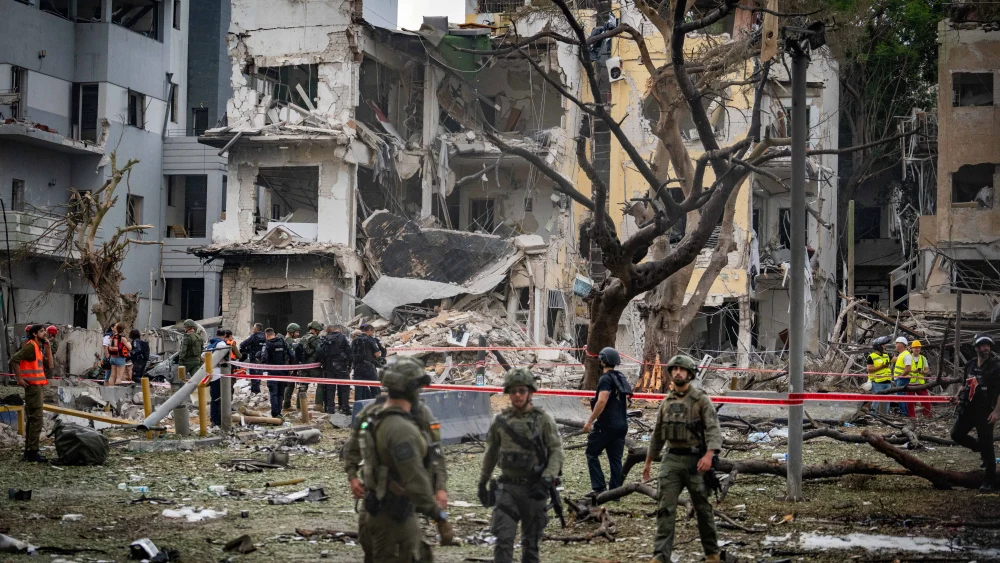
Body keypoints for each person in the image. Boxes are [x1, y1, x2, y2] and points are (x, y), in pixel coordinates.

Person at [343, 357, 449, 563]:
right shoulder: (395, 425)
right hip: (391, 509)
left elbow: (436, 453)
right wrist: (438, 515)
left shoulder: (419, 414)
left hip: (384, 506)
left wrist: (440, 486)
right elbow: (414, 477)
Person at [642, 354, 723, 563]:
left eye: (682, 369)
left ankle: (712, 554)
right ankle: (660, 556)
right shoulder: (666, 402)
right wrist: (649, 461)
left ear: (690, 373)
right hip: (671, 460)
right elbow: (658, 433)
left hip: (696, 461)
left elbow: (713, 429)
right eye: (674, 369)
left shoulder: (701, 400)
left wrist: (709, 455)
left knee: (703, 508)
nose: (678, 372)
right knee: (665, 509)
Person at [478, 367, 564, 563]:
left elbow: (556, 452)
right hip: (508, 489)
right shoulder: (500, 422)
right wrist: (482, 482)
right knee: (503, 542)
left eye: (522, 391)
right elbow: (490, 453)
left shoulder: (543, 420)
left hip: (534, 490)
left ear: (530, 392)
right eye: (513, 391)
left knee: (531, 548)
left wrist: (546, 479)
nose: (517, 395)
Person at [950, 334, 1000, 493]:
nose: (986, 348)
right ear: (976, 348)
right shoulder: (970, 365)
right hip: (968, 409)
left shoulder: (996, 367)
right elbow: (966, 384)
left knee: (988, 443)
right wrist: (958, 396)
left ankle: (989, 481)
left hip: (985, 410)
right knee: (956, 434)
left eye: (988, 345)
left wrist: (997, 412)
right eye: (983, 345)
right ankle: (979, 448)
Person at [583, 347, 631, 496]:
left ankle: (599, 488)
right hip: (622, 424)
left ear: (602, 361)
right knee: (615, 459)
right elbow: (628, 401)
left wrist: (590, 420)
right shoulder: (621, 377)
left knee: (591, 452)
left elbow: (602, 401)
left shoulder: (605, 379)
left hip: (606, 425)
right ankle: (615, 493)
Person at [10, 324, 53, 462]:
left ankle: (29, 452)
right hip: (33, 388)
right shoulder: (31, 346)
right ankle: (32, 453)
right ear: (34, 334)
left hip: (37, 387)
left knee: (33, 419)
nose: (45, 333)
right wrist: (19, 379)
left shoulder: (38, 348)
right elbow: (14, 360)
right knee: (36, 419)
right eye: (41, 331)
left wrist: (48, 348)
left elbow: (50, 366)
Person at [260, 327, 293, 418]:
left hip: (272, 372)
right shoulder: (283, 342)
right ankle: (279, 412)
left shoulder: (267, 344)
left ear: (266, 335)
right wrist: (292, 367)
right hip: (283, 371)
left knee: (274, 393)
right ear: (274, 334)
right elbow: (291, 354)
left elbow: (264, 358)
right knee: (281, 392)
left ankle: (275, 413)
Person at [323, 324, 353, 414]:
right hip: (341, 366)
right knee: (344, 387)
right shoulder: (343, 337)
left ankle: (330, 408)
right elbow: (349, 352)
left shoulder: (326, 337)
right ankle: (344, 407)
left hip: (329, 366)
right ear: (339, 330)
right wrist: (349, 365)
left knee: (330, 388)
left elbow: (321, 352)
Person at [297, 321, 325, 412]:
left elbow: (297, 351)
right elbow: (320, 350)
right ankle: (318, 405)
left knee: (303, 385)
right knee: (321, 382)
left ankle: (299, 406)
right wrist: (322, 361)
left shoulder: (302, 338)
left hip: (303, 366)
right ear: (316, 330)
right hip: (314, 366)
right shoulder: (315, 339)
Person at [352, 324, 385, 402]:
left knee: (359, 387)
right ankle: (377, 404)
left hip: (357, 367)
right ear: (369, 330)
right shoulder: (370, 339)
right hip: (368, 366)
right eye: (372, 332)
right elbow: (377, 354)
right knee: (374, 386)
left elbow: (351, 353)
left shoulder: (355, 340)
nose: (373, 333)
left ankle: (358, 405)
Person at [866, 336, 893, 415]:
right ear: (879, 346)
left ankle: (884, 415)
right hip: (877, 382)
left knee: (887, 400)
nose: (885, 346)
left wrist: (905, 352)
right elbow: (869, 369)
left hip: (887, 382)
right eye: (883, 345)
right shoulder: (871, 357)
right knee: (876, 400)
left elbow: (897, 359)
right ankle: (873, 415)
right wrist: (881, 366)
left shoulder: (886, 355)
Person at [239, 323, 267, 394]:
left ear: (256, 329)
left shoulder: (254, 336)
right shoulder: (265, 336)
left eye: (253, 328)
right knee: (259, 374)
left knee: (254, 374)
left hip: (253, 358)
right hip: (262, 359)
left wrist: (247, 351)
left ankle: (255, 392)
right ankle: (257, 391)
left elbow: (242, 344)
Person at [908, 340, 932, 418]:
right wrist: (912, 371)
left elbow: (927, 370)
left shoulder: (923, 358)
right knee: (909, 402)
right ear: (912, 348)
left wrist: (923, 372)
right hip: (910, 383)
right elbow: (904, 369)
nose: (917, 349)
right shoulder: (908, 357)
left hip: (920, 383)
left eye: (918, 348)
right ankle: (912, 417)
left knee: (926, 400)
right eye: (915, 348)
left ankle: (927, 416)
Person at [176, 319, 205, 385]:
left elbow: (183, 351)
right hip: (197, 361)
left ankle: (183, 394)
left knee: (181, 381)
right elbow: (201, 349)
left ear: (188, 327)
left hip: (187, 362)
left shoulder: (187, 337)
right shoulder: (198, 337)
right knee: (197, 381)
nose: (184, 328)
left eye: (185, 327)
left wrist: (180, 362)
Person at [891, 336, 914, 417]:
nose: (896, 345)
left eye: (897, 343)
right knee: (901, 396)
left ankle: (904, 414)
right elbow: (893, 359)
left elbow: (908, 369)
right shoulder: (901, 354)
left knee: (901, 397)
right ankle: (903, 412)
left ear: (902, 344)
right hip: (900, 379)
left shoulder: (906, 355)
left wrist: (901, 376)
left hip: (903, 379)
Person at [282, 323, 302, 410]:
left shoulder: (284, 340)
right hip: (290, 366)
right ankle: (286, 404)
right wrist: (294, 367)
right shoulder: (291, 342)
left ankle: (286, 403)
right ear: (291, 332)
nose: (298, 334)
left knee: (289, 385)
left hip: (287, 366)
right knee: (290, 385)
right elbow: (294, 356)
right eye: (296, 332)